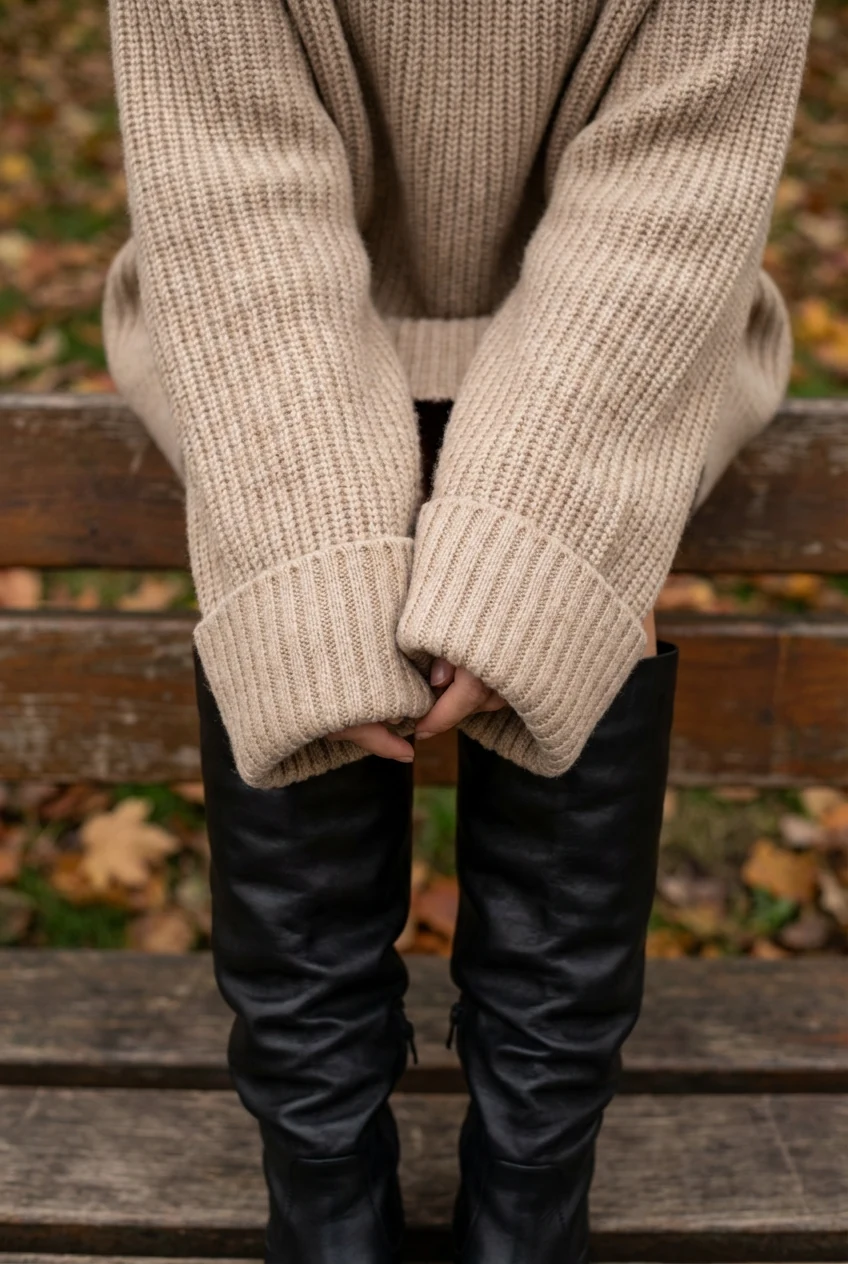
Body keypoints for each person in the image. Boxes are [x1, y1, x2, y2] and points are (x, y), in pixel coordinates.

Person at [102, 2, 813, 1260]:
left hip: (631, 342)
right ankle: (325, 1201)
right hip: (258, 333)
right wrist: (309, 557)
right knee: (284, 599)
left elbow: (671, 187)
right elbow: (227, 186)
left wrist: (541, 540)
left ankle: (528, 1203)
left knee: (591, 600)